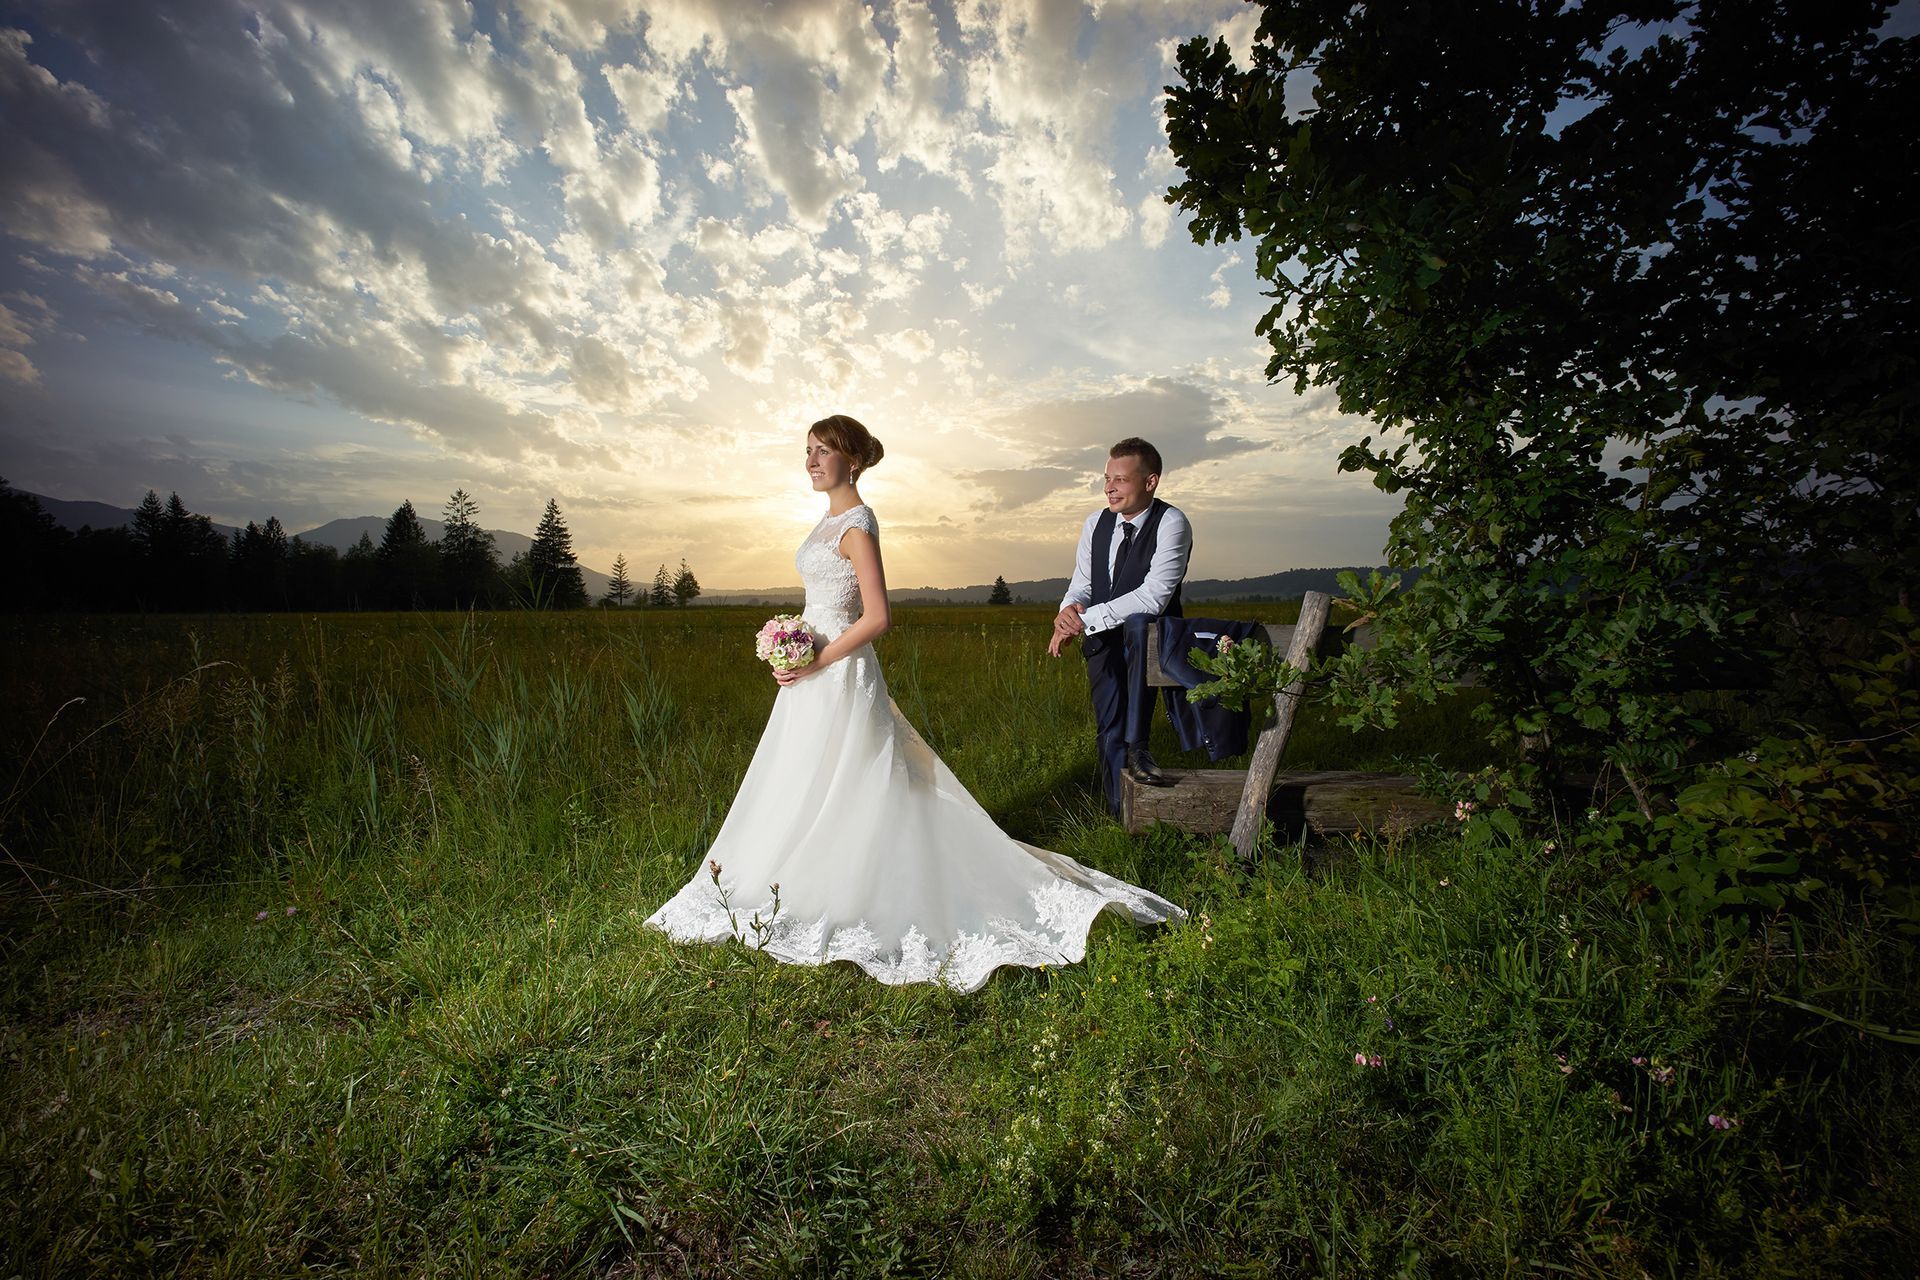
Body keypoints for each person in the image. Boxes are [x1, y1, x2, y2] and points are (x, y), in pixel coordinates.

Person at [645, 415, 1186, 991]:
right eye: (807, 450)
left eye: (822, 451)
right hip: (811, 670)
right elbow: (823, 602)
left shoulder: (857, 524)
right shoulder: (827, 520)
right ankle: (796, 871)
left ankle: (859, 882)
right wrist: (791, 640)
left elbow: (877, 618)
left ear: (851, 460)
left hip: (839, 668)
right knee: (806, 774)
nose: (809, 460)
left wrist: (818, 658)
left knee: (859, 776)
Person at [1048, 438, 1193, 816]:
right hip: (1102, 640)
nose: (1109, 487)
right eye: (1106, 478)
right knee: (1110, 726)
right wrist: (1066, 611)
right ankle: (1119, 812)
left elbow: (1154, 597)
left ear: (1150, 482)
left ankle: (1147, 805)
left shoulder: (1172, 522)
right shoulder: (1095, 523)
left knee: (1137, 730)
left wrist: (1085, 618)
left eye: (1121, 480)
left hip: (1150, 641)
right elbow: (1082, 583)